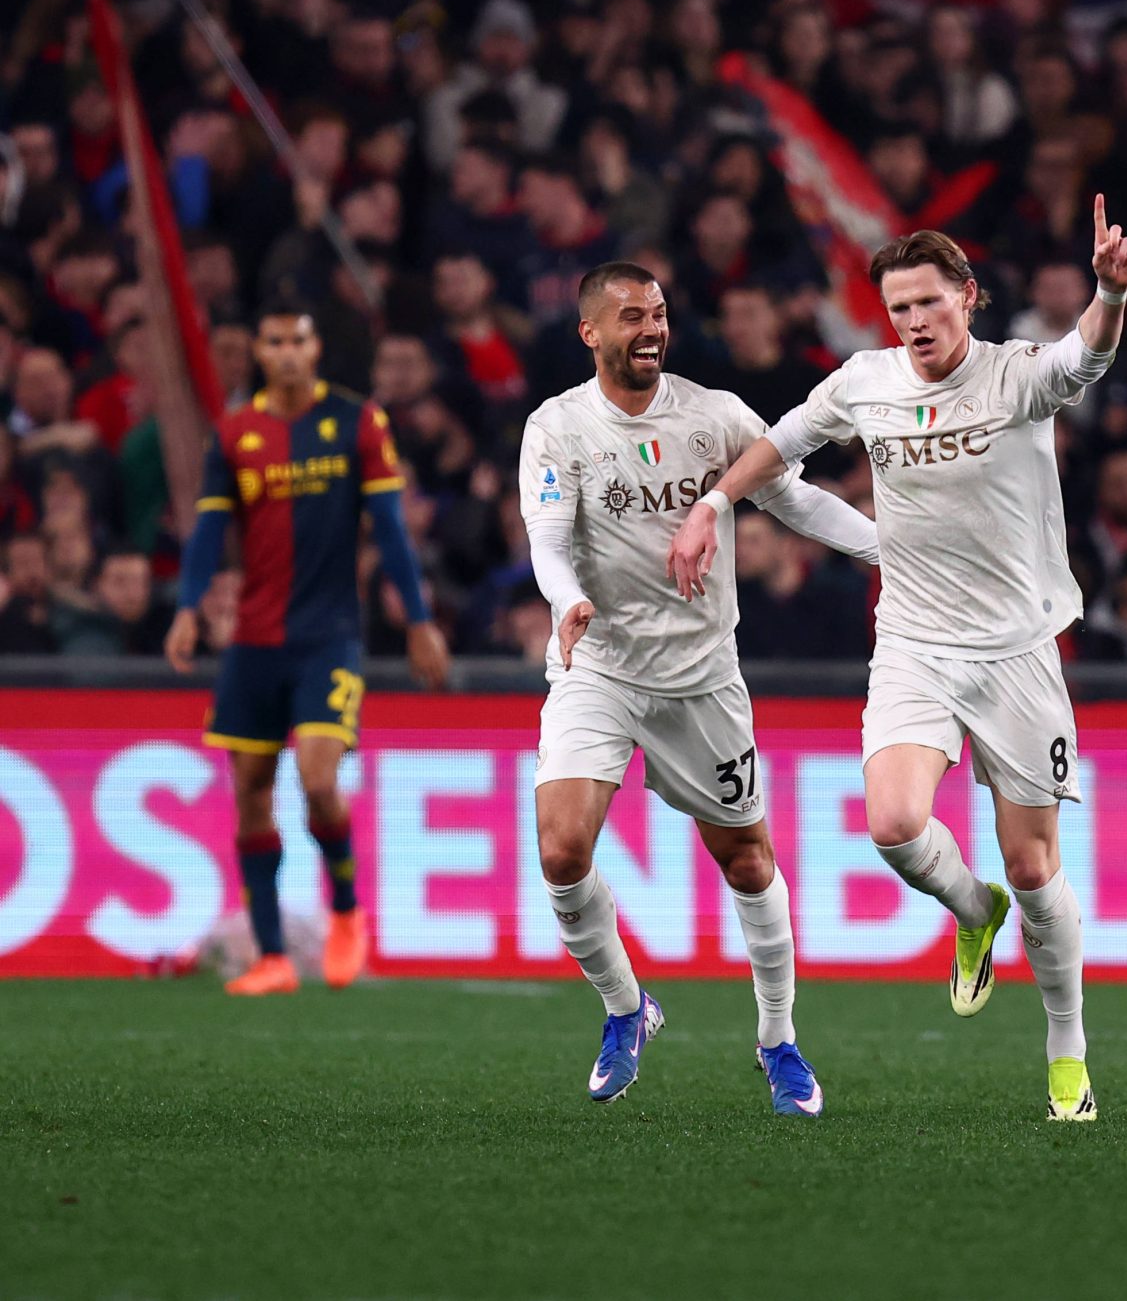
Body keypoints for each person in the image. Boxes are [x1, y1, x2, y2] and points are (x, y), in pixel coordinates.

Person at [668, 199, 1127, 1121]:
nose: (915, 323)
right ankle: (974, 911)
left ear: (969, 297)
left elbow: (1086, 354)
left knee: (1037, 865)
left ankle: (1067, 1050)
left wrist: (1110, 293)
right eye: (899, 310)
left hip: (1016, 652)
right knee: (892, 824)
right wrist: (713, 505)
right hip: (915, 643)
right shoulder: (865, 382)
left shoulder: (1014, 378)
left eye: (929, 302)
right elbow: (780, 447)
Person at [520, 262, 879, 1111]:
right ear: (591, 334)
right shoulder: (558, 426)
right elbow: (546, 538)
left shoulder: (714, 415)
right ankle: (625, 1008)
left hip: (701, 678)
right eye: (631, 316)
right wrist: (567, 601)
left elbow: (796, 500)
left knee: (747, 860)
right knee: (561, 851)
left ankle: (779, 1039)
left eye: (659, 313)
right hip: (597, 665)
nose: (650, 328)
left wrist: (889, 549)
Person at [165, 298, 451, 996]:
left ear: (314, 348)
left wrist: (418, 622)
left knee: (320, 781)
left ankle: (347, 912)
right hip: (254, 643)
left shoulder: (357, 422)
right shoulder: (235, 433)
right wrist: (186, 609)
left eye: (298, 338)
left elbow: (389, 529)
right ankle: (271, 957)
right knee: (252, 796)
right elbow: (207, 532)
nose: (288, 351)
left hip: (328, 638)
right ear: (260, 352)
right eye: (275, 340)